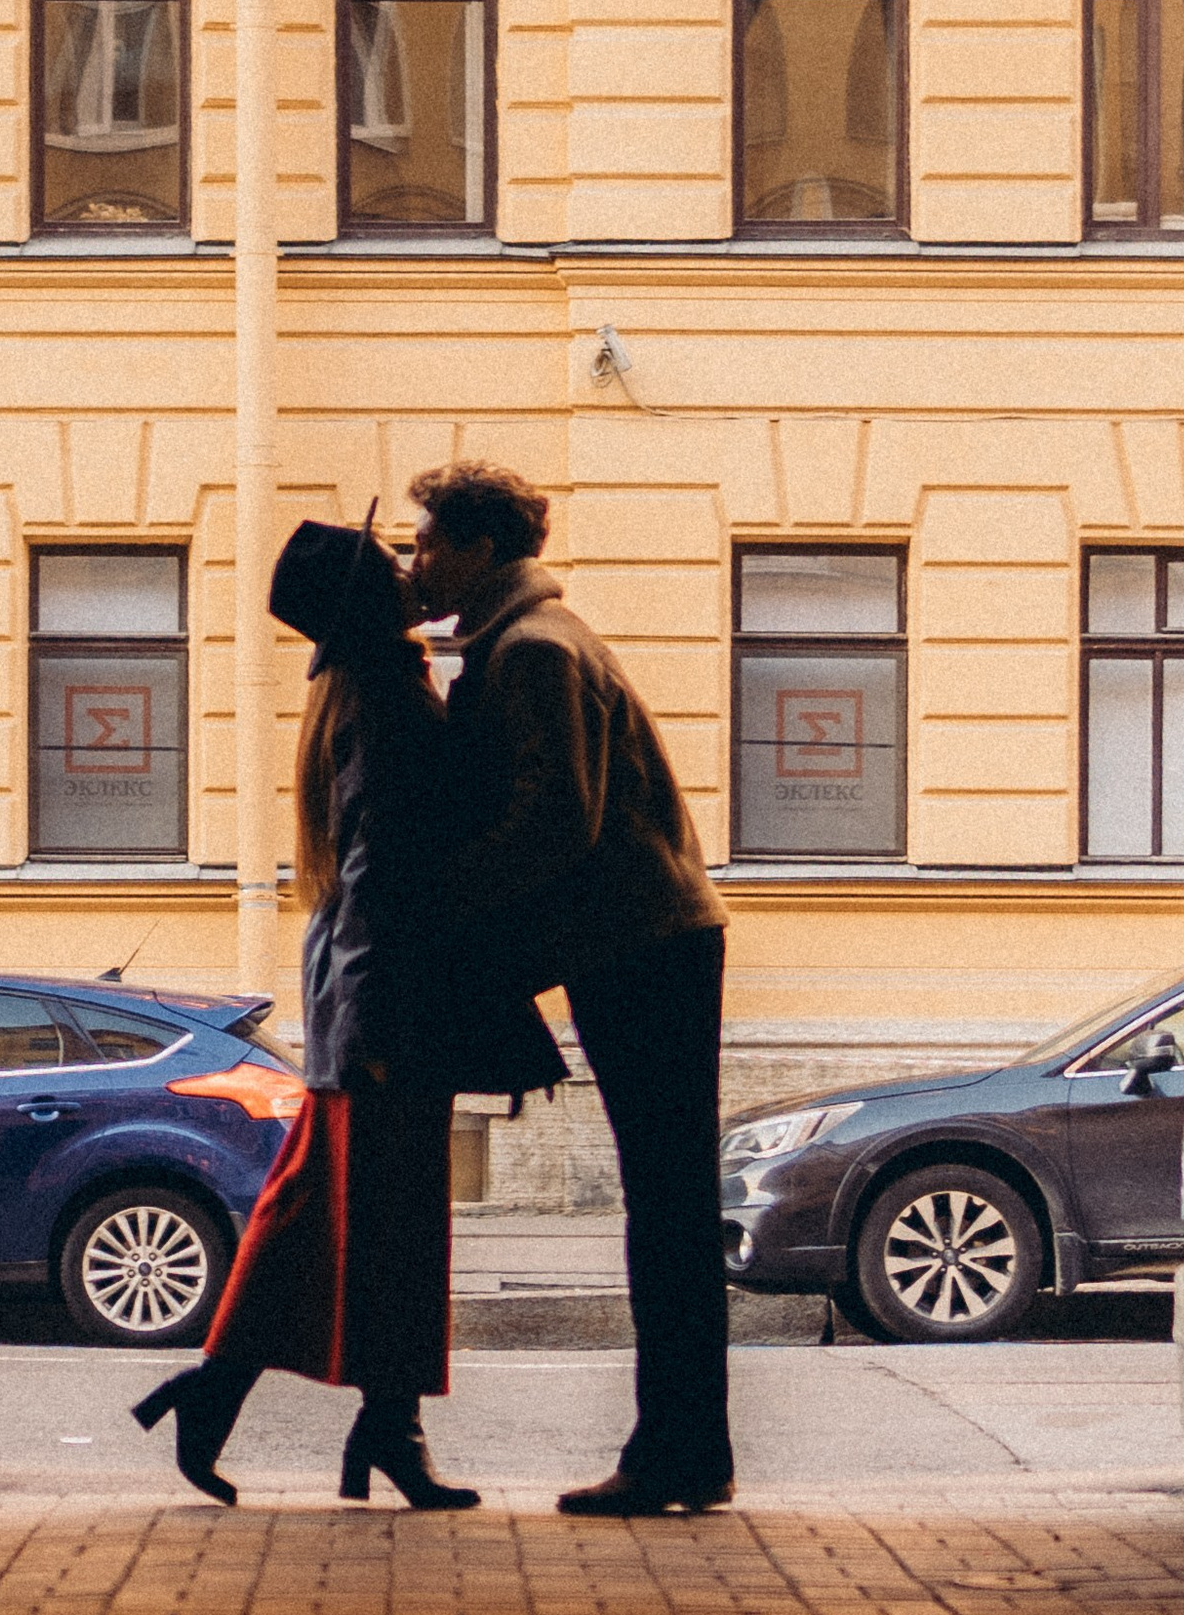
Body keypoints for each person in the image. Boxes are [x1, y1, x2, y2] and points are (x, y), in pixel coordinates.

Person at [134, 511, 564, 1508]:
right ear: (368, 597)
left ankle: (277, 1408)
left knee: (315, 1219)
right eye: (392, 562)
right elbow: (380, 875)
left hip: (367, 997)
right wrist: (371, 1025)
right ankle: (373, 1430)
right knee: (391, 1230)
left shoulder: (359, 687)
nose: (410, 569)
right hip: (388, 1004)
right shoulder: (386, 698)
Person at [406, 461, 734, 1517]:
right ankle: (690, 1448)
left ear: (479, 549)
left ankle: (675, 1451)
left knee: (666, 1206)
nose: (415, 562)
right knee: (667, 1201)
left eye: (426, 544)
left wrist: (447, 910)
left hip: (641, 944)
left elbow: (557, 823)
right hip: (645, 941)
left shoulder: (536, 652)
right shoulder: (529, 640)